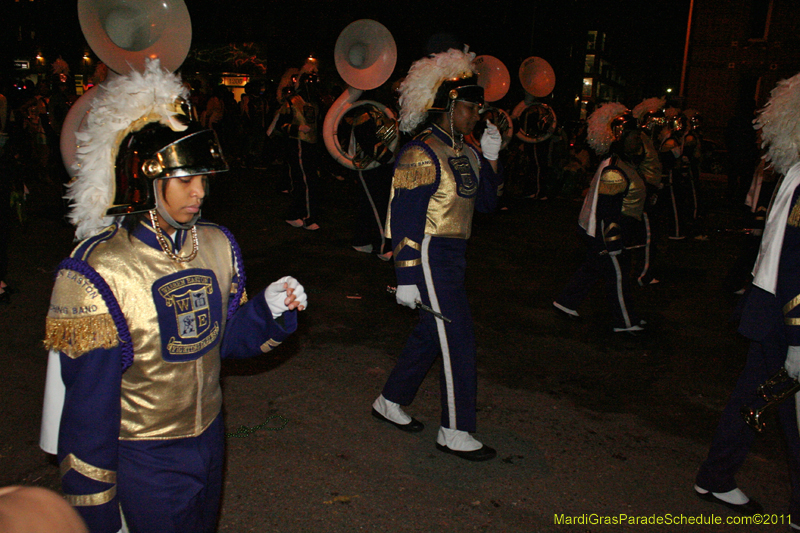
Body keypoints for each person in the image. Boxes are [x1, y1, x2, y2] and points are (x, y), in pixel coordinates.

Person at [38, 59, 307, 533]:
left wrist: (268, 310)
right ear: (146, 180)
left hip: (209, 440)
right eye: (186, 180)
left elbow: (220, 343)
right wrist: (97, 508)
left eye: (204, 178)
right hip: (143, 458)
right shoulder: (100, 269)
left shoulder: (218, 244)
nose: (200, 192)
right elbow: (88, 414)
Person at [371, 48, 503, 462]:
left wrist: (493, 157)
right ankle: (456, 430)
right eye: (469, 107)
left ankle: (390, 400)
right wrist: (406, 275)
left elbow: (486, 206)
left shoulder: (467, 151)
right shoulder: (420, 152)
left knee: (433, 334)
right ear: (445, 108)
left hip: (454, 253)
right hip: (429, 255)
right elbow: (405, 220)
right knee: (458, 339)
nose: (476, 115)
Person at [694, 72, 800, 527]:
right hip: (786, 311)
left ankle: (716, 475)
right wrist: (797, 338)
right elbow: (795, 262)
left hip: (771, 304)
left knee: (755, 396)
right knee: (791, 411)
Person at [552, 103, 646, 334]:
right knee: (618, 274)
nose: (638, 140)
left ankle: (566, 302)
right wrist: (612, 243)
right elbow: (607, 211)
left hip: (601, 230)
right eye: (633, 135)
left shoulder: (623, 163)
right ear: (620, 137)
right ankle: (625, 321)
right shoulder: (614, 169)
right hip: (605, 232)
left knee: (593, 267)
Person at [343, 97, 397, 259]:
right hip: (366, 165)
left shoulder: (381, 109)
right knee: (377, 205)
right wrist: (388, 157)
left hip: (380, 165)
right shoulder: (362, 112)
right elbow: (367, 140)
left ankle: (361, 241)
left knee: (370, 204)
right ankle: (382, 246)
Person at [277, 59, 323, 230]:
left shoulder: (316, 103)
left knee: (308, 180)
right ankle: (308, 217)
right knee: (305, 180)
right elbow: (280, 125)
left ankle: (296, 213)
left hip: (311, 144)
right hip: (298, 145)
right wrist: (297, 128)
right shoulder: (292, 101)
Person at [631, 97, 665, 286]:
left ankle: (642, 271)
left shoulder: (649, 139)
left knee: (648, 233)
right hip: (643, 192)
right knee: (647, 234)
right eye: (655, 121)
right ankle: (643, 274)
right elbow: (635, 165)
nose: (659, 125)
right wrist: (647, 188)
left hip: (648, 190)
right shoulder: (640, 139)